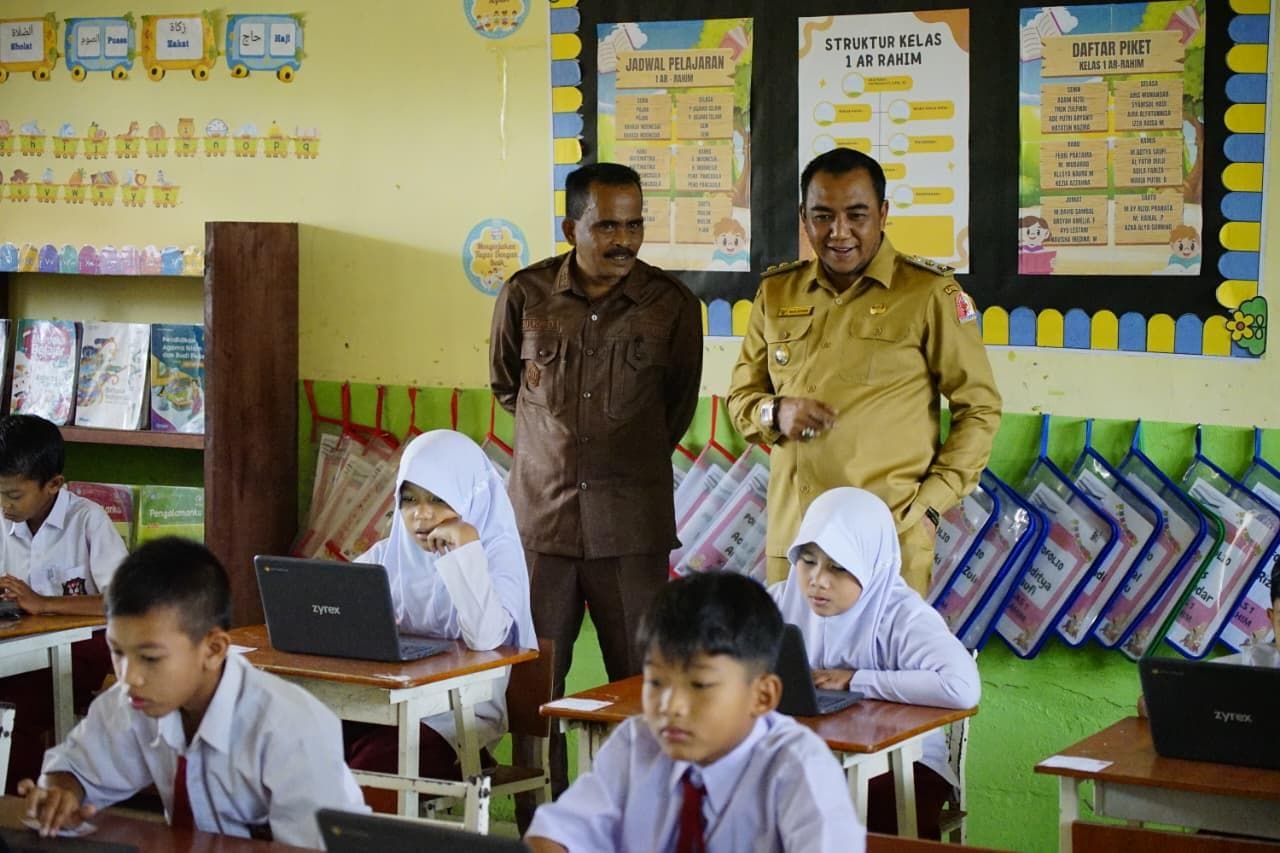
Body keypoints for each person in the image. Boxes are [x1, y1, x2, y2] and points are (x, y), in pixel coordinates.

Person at [490, 161, 703, 794]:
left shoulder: (672, 305)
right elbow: (506, 386)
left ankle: (641, 826)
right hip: (542, 527)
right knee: (532, 694)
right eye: (606, 225)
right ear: (570, 226)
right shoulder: (525, 296)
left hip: (630, 532)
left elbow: (676, 409)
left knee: (641, 692)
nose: (624, 240)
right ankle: (541, 825)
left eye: (634, 224)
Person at [726, 147, 1002, 593]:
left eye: (857, 215)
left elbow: (980, 408)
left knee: (881, 664)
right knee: (799, 662)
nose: (839, 232)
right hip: (796, 540)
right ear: (803, 216)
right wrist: (775, 414)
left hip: (888, 539)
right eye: (822, 216)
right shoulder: (777, 293)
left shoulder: (929, 294)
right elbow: (742, 399)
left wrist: (930, 505)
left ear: (883, 213)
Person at [18, 537, 366, 846]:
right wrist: (59, 793)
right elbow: (75, 768)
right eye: (118, 651)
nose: (129, 676)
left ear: (213, 649)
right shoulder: (134, 700)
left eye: (151, 657)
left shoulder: (288, 727)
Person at [525, 571, 864, 853]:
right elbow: (555, 835)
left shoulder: (799, 770)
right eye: (656, 682)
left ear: (763, 695)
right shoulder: (636, 743)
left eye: (700, 685)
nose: (671, 706)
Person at [771, 487, 981, 838]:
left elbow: (961, 688)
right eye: (807, 560)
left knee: (862, 818)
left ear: (869, 562)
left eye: (838, 566)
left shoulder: (901, 615)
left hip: (907, 766)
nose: (816, 580)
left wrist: (855, 680)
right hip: (812, 757)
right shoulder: (780, 600)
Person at [345, 430, 537, 809]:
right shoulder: (388, 554)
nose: (422, 514)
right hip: (386, 708)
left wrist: (464, 551)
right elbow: (335, 602)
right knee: (301, 743)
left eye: (438, 499)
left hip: (458, 724)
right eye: (410, 499)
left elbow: (485, 638)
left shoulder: (499, 557)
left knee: (370, 772)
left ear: (471, 496)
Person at [0, 413, 128, 792]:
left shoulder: (87, 520)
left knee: (15, 704)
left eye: (13, 495)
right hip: (19, 644)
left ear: (54, 484)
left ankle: (18, 803)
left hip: (87, 646)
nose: (4, 504)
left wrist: (43, 603)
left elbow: (123, 602)